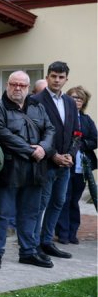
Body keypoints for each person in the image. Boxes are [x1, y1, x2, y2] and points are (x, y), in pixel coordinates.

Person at [0, 71, 55, 270]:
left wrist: (43, 148)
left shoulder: (37, 106)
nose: (17, 88)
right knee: (1, 214)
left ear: (28, 87)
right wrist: (30, 151)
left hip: (35, 170)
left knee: (30, 213)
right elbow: (3, 135)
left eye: (22, 85)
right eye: (13, 84)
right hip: (8, 170)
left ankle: (28, 252)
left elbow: (50, 130)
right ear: (7, 84)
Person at [32, 61, 79, 259]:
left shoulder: (69, 102)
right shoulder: (36, 100)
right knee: (40, 205)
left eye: (61, 77)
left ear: (66, 79)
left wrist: (70, 154)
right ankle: (32, 246)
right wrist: (54, 156)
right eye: (53, 76)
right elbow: (34, 135)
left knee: (58, 203)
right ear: (47, 76)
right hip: (45, 163)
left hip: (65, 165)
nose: (57, 80)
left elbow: (77, 132)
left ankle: (47, 241)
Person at [57, 86, 97, 244]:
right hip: (65, 164)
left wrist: (81, 144)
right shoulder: (63, 117)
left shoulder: (87, 120)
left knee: (74, 200)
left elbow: (95, 139)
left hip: (82, 167)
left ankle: (72, 232)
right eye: (74, 98)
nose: (77, 101)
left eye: (80, 99)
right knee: (63, 199)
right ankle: (62, 233)